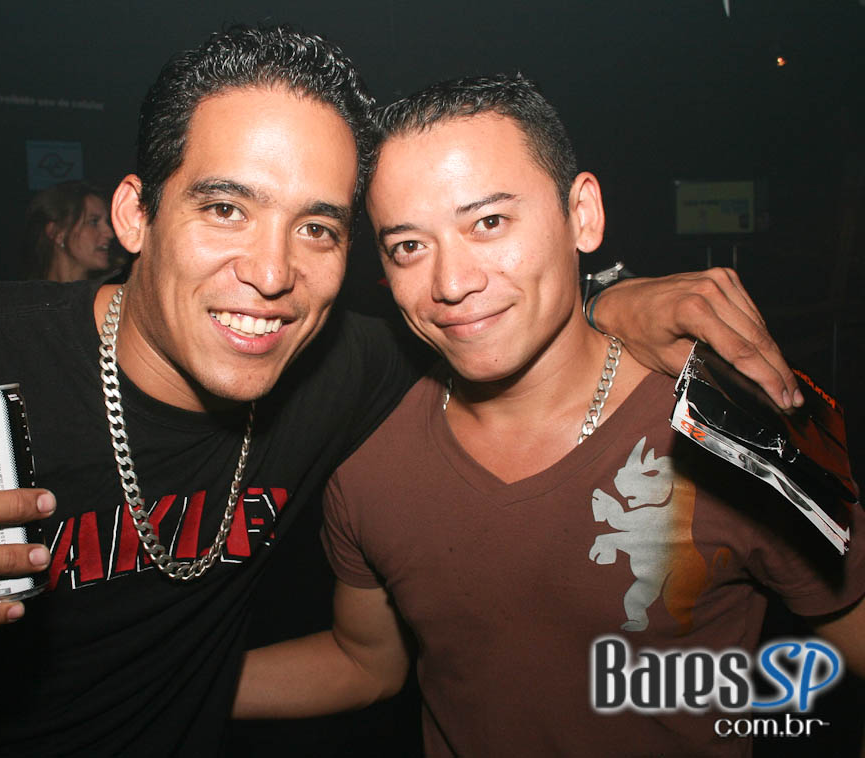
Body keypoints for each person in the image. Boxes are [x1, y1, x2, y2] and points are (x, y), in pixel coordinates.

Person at [0, 28, 802, 756]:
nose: (271, 274)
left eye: (318, 228)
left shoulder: (349, 371)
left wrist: (611, 297)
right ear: (137, 214)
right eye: (226, 208)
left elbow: (486, 313)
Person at [231, 75, 865, 756]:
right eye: (409, 246)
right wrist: (159, 683)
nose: (452, 283)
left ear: (582, 215)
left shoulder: (728, 431)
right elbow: (367, 664)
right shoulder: (369, 452)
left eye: (489, 223)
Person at [21, 180, 115, 281]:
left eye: (107, 222)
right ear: (57, 233)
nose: (110, 233)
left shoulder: (116, 288)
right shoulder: (26, 290)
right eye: (93, 222)